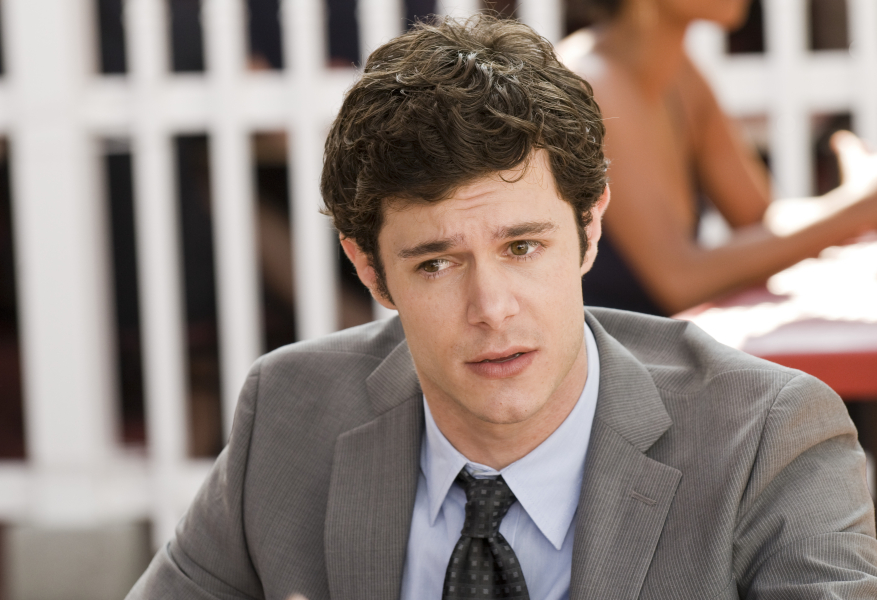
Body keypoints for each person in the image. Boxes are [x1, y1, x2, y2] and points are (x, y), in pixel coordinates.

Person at [126, 15, 877, 600]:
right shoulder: (291, 410)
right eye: (436, 263)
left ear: (588, 229)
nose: (490, 308)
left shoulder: (767, 440)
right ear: (370, 270)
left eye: (522, 247)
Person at [558, 0, 877, 316]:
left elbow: (760, 220)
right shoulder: (592, 81)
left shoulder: (678, 73)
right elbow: (680, 282)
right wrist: (855, 207)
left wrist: (852, 199)